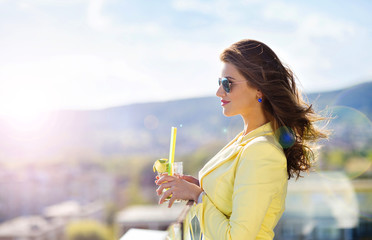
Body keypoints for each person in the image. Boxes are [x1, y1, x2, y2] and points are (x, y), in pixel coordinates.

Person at [156, 39, 328, 240]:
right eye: (219, 83)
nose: (219, 92)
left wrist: (197, 195)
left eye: (228, 83)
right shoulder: (245, 140)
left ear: (259, 88)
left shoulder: (261, 151)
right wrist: (196, 187)